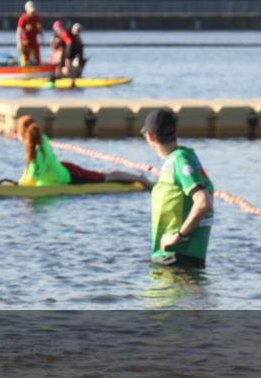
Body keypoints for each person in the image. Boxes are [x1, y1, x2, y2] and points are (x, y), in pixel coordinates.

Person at [141, 110, 214, 268]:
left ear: (151, 137)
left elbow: (203, 202)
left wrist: (178, 236)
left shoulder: (180, 160)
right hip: (181, 259)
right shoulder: (183, 157)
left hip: (177, 258)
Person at [16, 115, 151, 188]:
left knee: (106, 177)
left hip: (68, 176)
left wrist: (18, 188)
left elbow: (33, 176)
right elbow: (30, 172)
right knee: (104, 176)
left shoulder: (37, 154)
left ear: (22, 135)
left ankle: (139, 178)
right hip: (62, 169)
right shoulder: (41, 140)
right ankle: (137, 177)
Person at [16, 1, 43, 66]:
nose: (32, 13)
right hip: (25, 42)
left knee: (37, 57)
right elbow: (18, 31)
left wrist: (42, 39)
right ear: (26, 10)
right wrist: (18, 43)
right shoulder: (23, 18)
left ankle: (37, 67)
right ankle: (24, 68)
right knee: (25, 58)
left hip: (34, 41)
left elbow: (40, 29)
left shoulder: (37, 18)